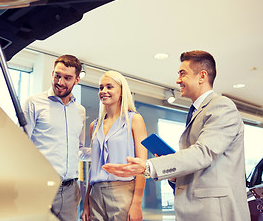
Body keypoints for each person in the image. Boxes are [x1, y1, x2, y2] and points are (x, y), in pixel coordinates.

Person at [103, 51, 251, 221]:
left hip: (216, 212)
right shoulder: (196, 111)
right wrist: (175, 177)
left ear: (202, 76)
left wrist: (149, 166)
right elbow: (197, 164)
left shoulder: (222, 106)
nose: (178, 80)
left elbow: (203, 153)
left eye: (182, 73)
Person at [23, 54, 89, 221]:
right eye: (57, 76)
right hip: (41, 187)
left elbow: (79, 150)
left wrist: (104, 152)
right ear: (52, 73)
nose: (60, 82)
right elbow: (21, 145)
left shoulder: (80, 111)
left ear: (77, 80)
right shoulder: (34, 103)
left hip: (70, 190)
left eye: (67, 78)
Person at [81, 70, 147, 221]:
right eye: (101, 87)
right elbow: (94, 166)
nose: (104, 91)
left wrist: (137, 203)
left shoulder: (134, 120)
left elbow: (142, 166)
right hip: (95, 194)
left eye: (109, 87)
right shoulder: (94, 126)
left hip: (123, 191)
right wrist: (86, 202)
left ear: (122, 91)